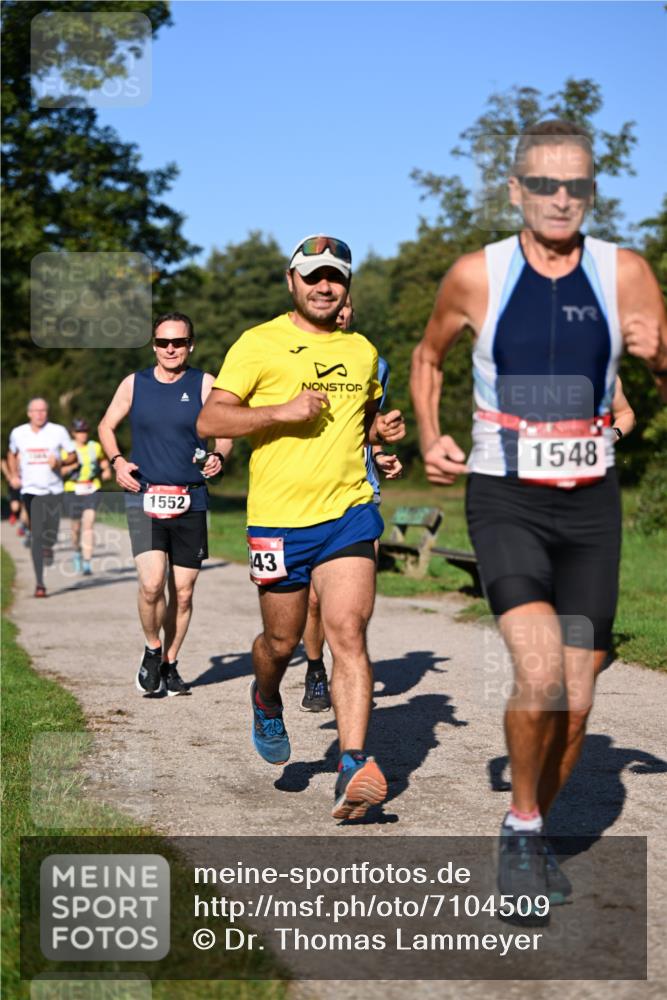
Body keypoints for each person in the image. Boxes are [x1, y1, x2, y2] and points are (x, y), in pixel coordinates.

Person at [410, 120, 667, 905]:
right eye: (544, 185)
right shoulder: (475, 275)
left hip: (590, 507)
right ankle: (523, 830)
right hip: (506, 496)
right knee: (540, 673)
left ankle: (527, 826)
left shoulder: (624, 273)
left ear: (592, 192)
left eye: (576, 186)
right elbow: (427, 357)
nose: (561, 199)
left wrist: (658, 357)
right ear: (514, 190)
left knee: (577, 702)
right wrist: (430, 432)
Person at [197, 234, 405, 820]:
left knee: (348, 633)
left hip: (348, 513)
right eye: (313, 276)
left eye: (335, 276)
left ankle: (353, 764)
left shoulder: (362, 351)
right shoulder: (258, 342)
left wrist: (382, 441)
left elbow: (362, 423)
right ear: (292, 281)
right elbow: (210, 419)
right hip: (278, 521)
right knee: (281, 643)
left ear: (347, 285)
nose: (324, 286)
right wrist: (279, 412)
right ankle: (266, 697)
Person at [98, 312, 232, 697]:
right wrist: (117, 462)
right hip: (145, 496)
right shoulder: (134, 383)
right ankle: (152, 648)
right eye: (163, 342)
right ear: (154, 345)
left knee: (183, 592)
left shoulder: (205, 383)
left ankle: (170, 663)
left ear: (191, 345)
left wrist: (218, 456)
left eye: (178, 342)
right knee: (152, 583)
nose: (170, 349)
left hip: (191, 497)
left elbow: (225, 432)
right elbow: (106, 426)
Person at [301, 294, 402, 712]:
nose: (340, 313)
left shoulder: (373, 362)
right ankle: (314, 669)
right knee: (312, 600)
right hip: (306, 491)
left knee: (355, 598)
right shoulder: (295, 355)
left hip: (360, 491)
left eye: (347, 308)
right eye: (335, 306)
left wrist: (381, 454)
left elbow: (366, 426)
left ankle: (347, 664)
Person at [6, 398, 76, 597]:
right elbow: (11, 454)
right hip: (30, 490)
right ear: (29, 413)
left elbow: (73, 456)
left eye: (43, 410)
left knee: (50, 532)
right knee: (37, 534)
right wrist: (14, 475)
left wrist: (60, 462)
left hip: (53, 490)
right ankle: (40, 583)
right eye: (36, 411)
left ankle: (49, 545)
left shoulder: (58, 431)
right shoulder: (18, 433)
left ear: (47, 412)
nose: (39, 414)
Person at [60, 418, 112, 575]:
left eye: (85, 431)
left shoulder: (95, 446)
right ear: (73, 433)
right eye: (79, 431)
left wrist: (106, 470)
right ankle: (77, 551)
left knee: (88, 524)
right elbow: (59, 471)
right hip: (72, 489)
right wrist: (72, 466)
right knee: (76, 527)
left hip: (92, 488)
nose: (82, 434)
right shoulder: (66, 449)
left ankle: (87, 562)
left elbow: (103, 461)